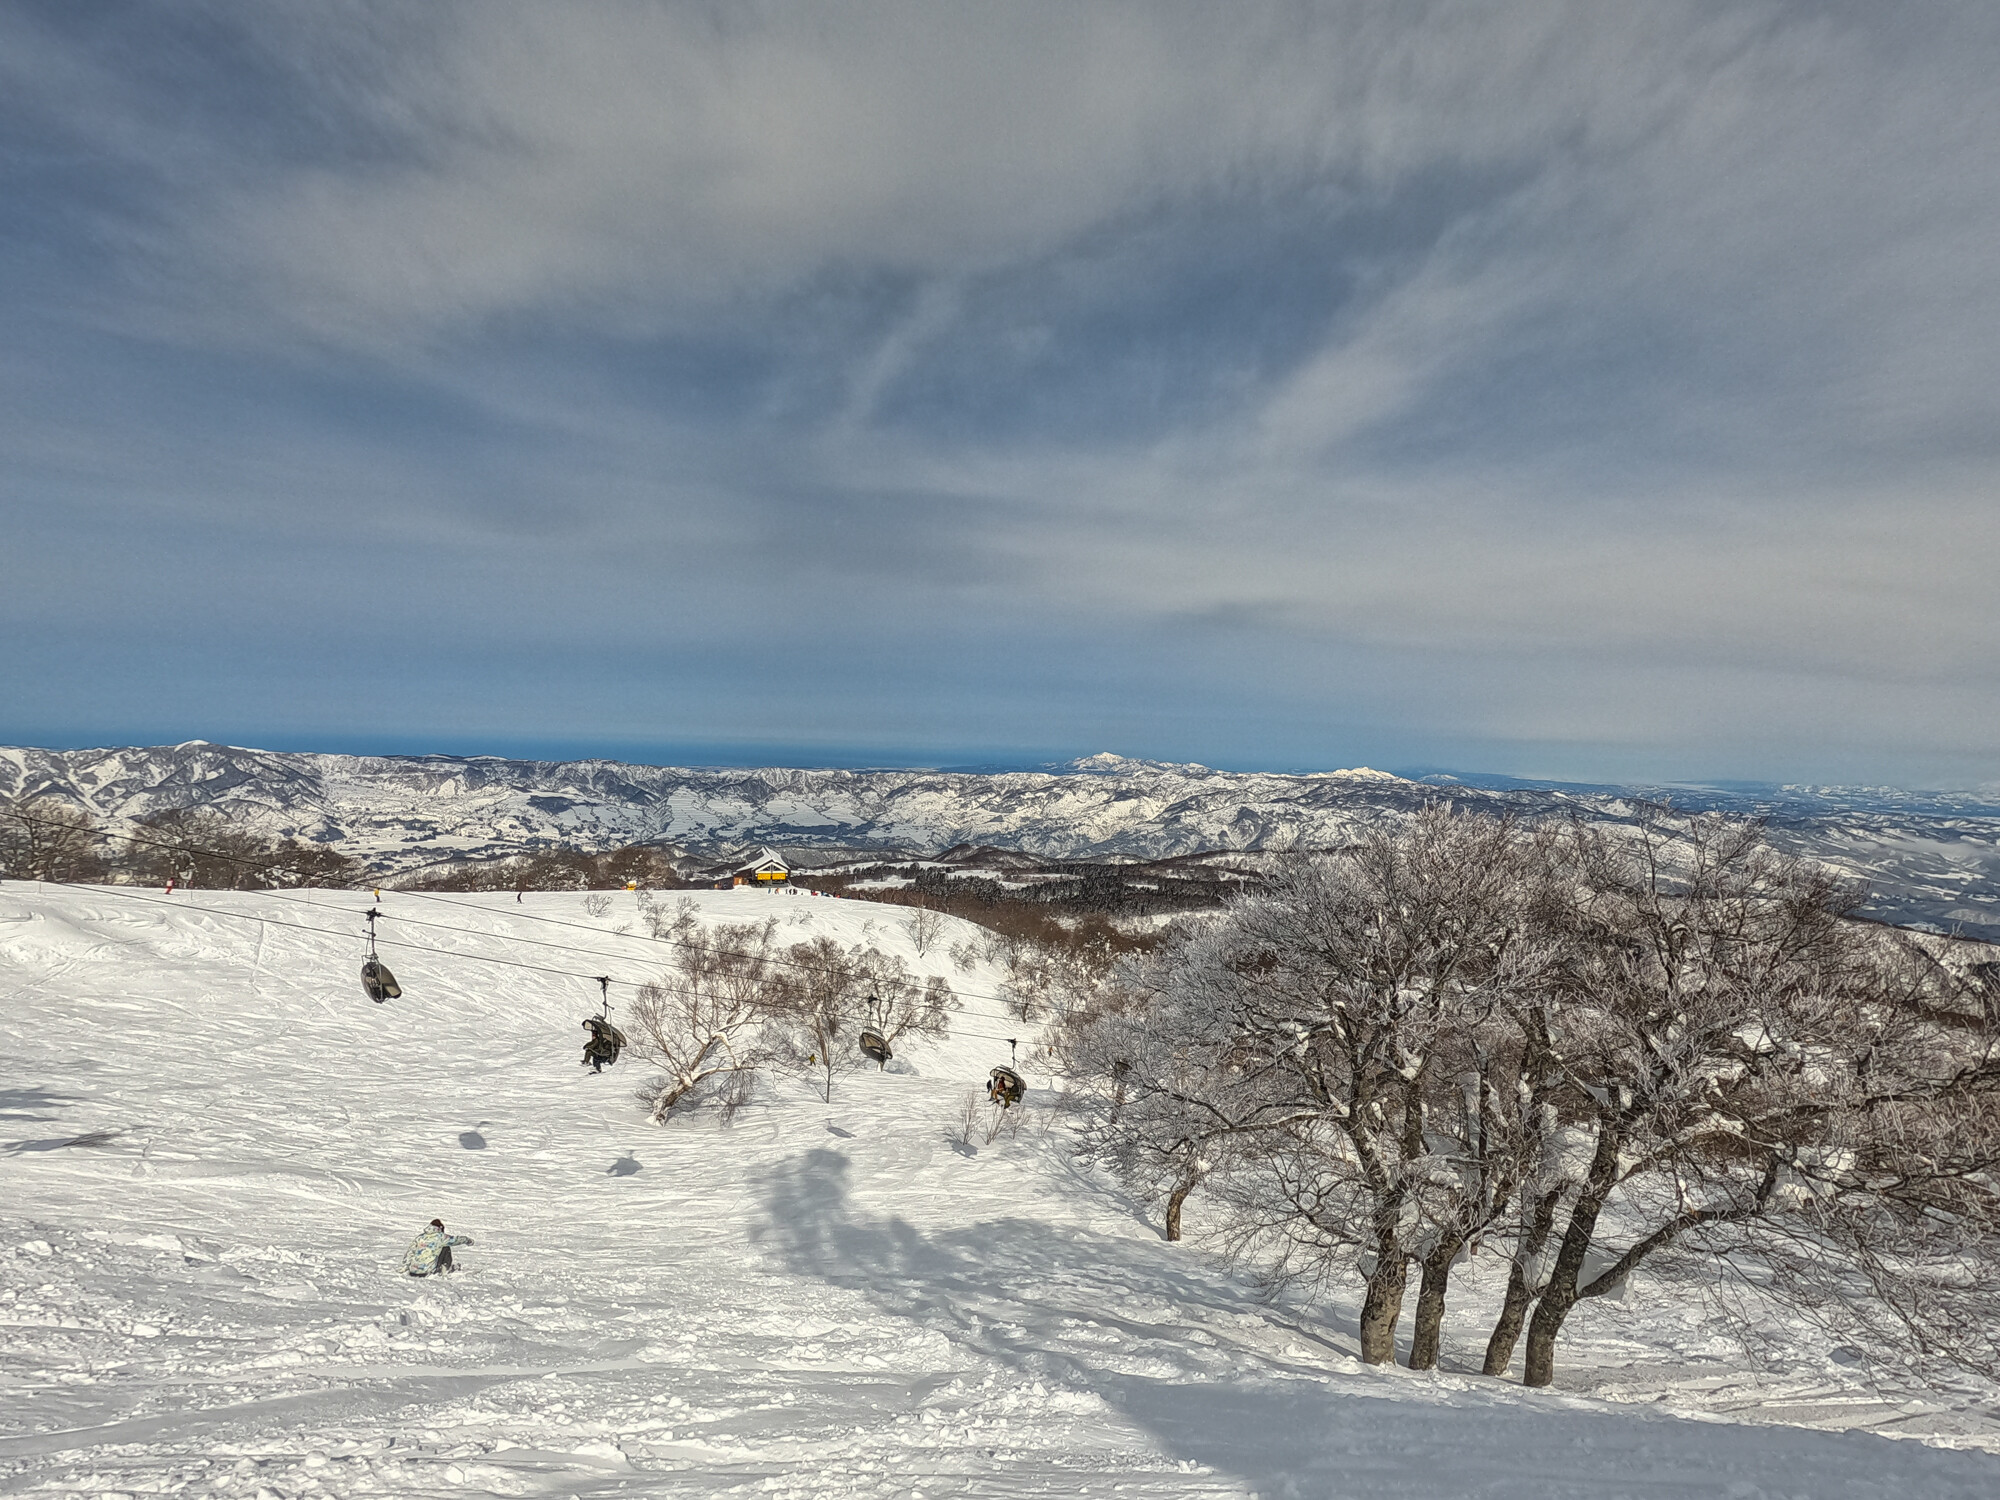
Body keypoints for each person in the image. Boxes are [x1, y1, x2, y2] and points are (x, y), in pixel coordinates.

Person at [401, 1218, 473, 1276]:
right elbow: (456, 1240)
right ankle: (445, 1269)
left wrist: (406, 1266)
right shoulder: (440, 1237)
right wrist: (468, 1240)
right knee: (446, 1247)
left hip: (413, 1271)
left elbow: (410, 1252)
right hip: (429, 1271)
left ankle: (417, 1267)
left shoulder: (420, 1237)